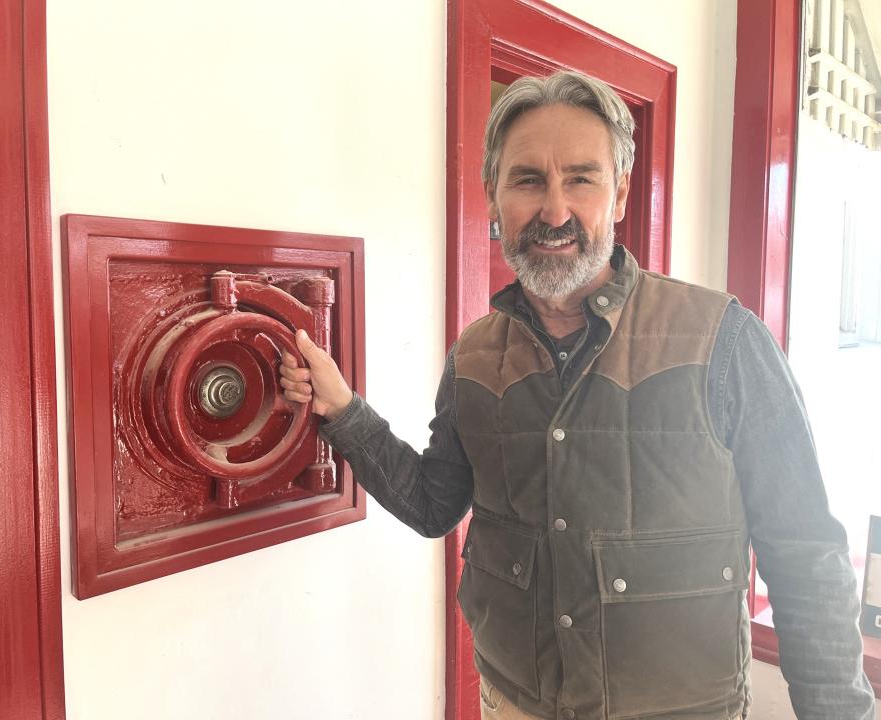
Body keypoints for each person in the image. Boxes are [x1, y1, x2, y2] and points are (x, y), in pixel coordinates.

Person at [279, 70, 876, 720]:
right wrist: (343, 410)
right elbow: (433, 506)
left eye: (581, 179)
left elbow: (804, 552)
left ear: (619, 193)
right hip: (512, 705)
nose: (555, 211)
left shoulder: (723, 340)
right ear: (494, 196)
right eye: (528, 179)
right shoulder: (475, 357)